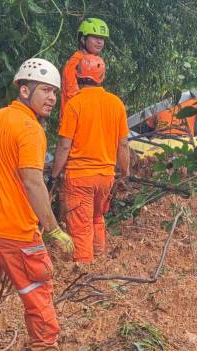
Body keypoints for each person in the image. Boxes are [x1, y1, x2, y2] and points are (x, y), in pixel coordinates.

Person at [0, 58, 74, 351]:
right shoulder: (30, 129)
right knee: (38, 294)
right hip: (13, 231)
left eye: (54, 92)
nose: (51, 98)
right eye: (44, 90)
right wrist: (53, 229)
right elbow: (32, 181)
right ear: (24, 90)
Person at [51, 55, 130, 264]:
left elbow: (64, 145)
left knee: (80, 226)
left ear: (77, 75)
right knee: (97, 219)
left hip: (79, 178)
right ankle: (100, 262)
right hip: (105, 177)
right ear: (102, 76)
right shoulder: (116, 104)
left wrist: (54, 174)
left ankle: (84, 271)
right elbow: (123, 145)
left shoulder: (74, 104)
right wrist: (125, 172)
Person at [60, 17, 109, 120]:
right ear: (83, 39)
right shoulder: (75, 62)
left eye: (102, 38)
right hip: (73, 122)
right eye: (95, 37)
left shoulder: (95, 62)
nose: (100, 42)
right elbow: (73, 95)